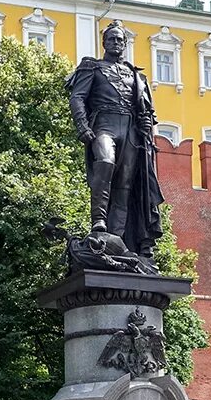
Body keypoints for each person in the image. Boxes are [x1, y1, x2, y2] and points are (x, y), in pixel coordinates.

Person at [66, 21, 163, 260]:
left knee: (125, 185)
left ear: (125, 44)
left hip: (129, 130)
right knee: (105, 163)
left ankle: (116, 238)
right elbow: (77, 97)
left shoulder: (136, 75)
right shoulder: (93, 68)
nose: (116, 43)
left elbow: (146, 110)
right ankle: (99, 221)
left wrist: (146, 122)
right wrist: (83, 127)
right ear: (104, 42)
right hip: (104, 125)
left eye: (120, 40)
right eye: (112, 39)